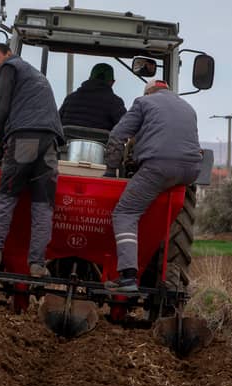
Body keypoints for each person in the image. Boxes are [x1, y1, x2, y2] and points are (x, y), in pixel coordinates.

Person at [103, 79, 202, 293]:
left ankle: (128, 277)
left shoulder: (143, 103)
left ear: (149, 93)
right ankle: (169, 280)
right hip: (190, 171)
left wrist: (111, 170)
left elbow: (117, 135)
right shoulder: (188, 107)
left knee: (126, 213)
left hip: (159, 166)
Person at [0, 43, 64, 278]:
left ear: (8, 54)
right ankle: (37, 264)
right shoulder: (35, 75)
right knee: (43, 205)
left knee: (7, 196)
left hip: (25, 138)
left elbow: (2, 107)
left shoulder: (10, 68)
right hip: (50, 142)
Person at [58, 63, 126, 131]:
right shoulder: (115, 103)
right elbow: (125, 128)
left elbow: (57, 122)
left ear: (89, 78)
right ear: (112, 82)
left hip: (68, 141)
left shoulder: (70, 98)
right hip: (101, 141)